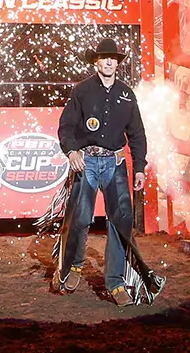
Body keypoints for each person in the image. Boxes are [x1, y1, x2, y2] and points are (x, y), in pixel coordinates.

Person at [54, 37, 148, 304]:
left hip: (115, 164)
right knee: (80, 218)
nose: (109, 62)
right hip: (87, 161)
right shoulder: (82, 91)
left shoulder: (127, 94)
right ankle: (72, 267)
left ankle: (115, 282)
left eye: (113, 58)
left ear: (117, 63)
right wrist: (71, 151)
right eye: (105, 57)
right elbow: (66, 127)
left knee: (119, 222)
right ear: (96, 61)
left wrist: (139, 167)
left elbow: (137, 134)